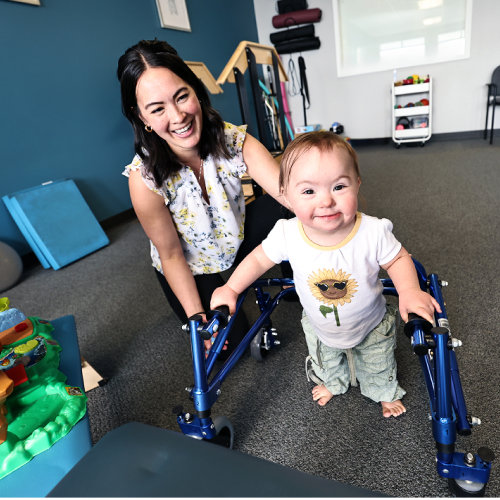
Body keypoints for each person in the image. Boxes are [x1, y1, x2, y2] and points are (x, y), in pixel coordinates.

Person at [210, 131, 441, 417]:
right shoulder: (287, 233)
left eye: (339, 187)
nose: (326, 201)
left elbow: (398, 259)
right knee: (326, 362)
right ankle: (333, 382)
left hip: (371, 324)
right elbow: (258, 259)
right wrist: (231, 288)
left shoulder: (373, 231)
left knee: (378, 364)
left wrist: (409, 291)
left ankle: (382, 391)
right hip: (321, 328)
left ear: (357, 183)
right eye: (309, 191)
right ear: (286, 194)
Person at [117, 39, 291, 359]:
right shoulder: (143, 179)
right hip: (190, 263)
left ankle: (297, 277)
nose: (178, 116)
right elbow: (171, 255)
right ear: (141, 116)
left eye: (181, 96)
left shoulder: (233, 139)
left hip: (234, 238)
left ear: (195, 89)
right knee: (227, 345)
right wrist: (197, 319)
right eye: (157, 109)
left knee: (296, 205)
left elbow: (287, 193)